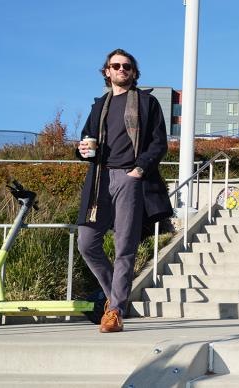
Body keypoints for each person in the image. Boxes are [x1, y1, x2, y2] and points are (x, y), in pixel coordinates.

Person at [75, 48, 172, 333]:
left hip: (130, 178)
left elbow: (158, 143)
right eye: (115, 66)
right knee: (86, 242)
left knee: (124, 247)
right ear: (106, 71)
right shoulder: (99, 105)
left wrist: (138, 170)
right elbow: (86, 140)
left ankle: (115, 311)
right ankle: (113, 298)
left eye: (127, 66)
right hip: (99, 179)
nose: (121, 70)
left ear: (133, 72)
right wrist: (81, 150)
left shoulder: (146, 102)